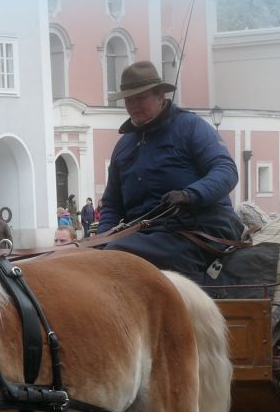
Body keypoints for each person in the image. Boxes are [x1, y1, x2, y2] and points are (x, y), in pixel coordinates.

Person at [97, 60, 242, 280]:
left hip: (200, 229)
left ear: (160, 96)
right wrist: (100, 240)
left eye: (140, 98)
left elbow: (226, 170)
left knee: (118, 254)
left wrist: (190, 195)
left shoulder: (191, 127)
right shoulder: (123, 146)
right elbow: (111, 205)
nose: (133, 106)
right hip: (145, 236)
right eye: (128, 100)